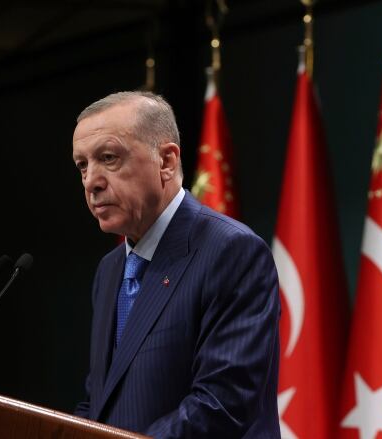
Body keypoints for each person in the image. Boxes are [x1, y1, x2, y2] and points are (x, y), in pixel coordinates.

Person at [71, 91, 281, 438]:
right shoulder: (109, 271)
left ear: (166, 161)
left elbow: (221, 404)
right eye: (82, 165)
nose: (91, 181)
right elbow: (99, 400)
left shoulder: (231, 252)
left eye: (108, 158)